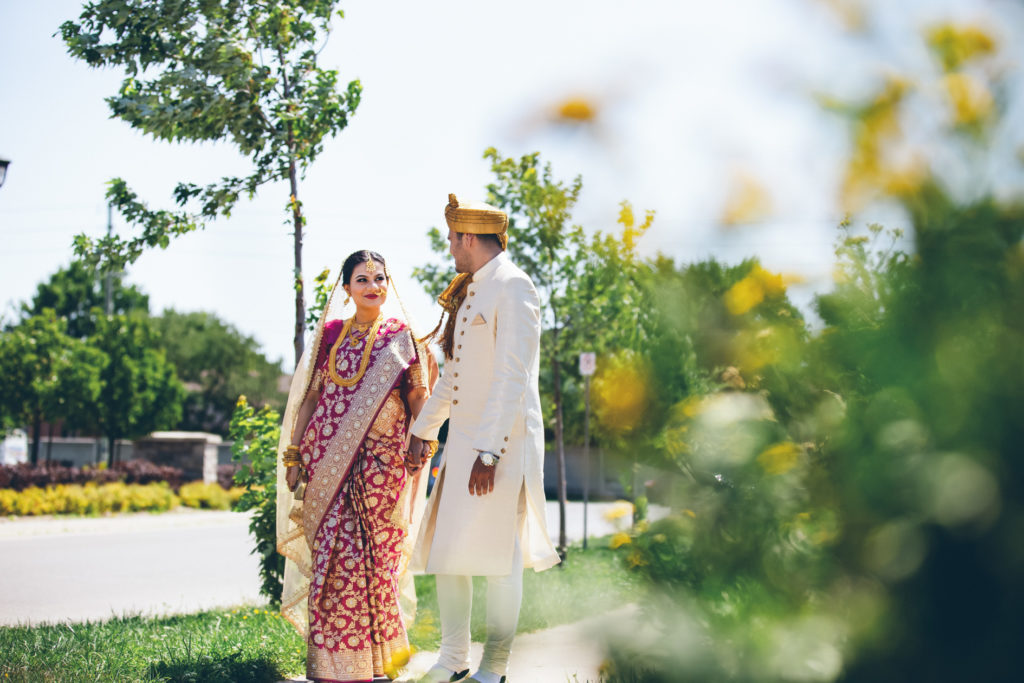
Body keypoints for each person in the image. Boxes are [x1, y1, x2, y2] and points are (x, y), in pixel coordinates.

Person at [405, 194, 560, 683]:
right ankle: (453, 658)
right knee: (449, 553)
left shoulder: (514, 287)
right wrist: (421, 431)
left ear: (469, 237)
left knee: (498, 559)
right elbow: (453, 378)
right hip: (464, 443)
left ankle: (495, 667)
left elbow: (512, 376)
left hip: (501, 445)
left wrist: (489, 452)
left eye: (453, 239)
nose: (451, 248)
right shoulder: (472, 289)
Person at [275, 250, 438, 682]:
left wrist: (426, 434)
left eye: (380, 278)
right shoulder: (330, 333)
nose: (373, 286)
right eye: (362, 279)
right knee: (332, 560)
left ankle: (379, 662)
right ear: (346, 288)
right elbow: (311, 398)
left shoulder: (402, 336)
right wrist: (294, 453)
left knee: (374, 564)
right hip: (327, 462)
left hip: (382, 467)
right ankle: (333, 667)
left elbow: (417, 396)